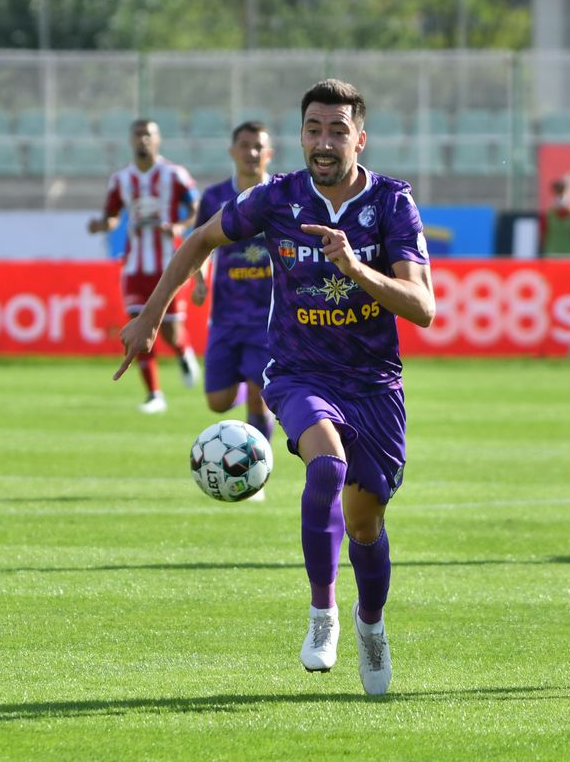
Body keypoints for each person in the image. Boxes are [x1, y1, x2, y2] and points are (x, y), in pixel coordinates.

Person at [114, 79, 435, 696]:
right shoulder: (278, 198)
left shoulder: (392, 205)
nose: (323, 141)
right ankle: (323, 614)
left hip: (373, 383)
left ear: (359, 139)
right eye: (313, 129)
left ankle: (371, 624)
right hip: (297, 372)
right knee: (325, 469)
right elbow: (201, 240)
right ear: (301, 135)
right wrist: (152, 316)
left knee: (366, 526)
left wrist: (354, 267)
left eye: (337, 130)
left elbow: (422, 307)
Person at [88, 118, 202, 414]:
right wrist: (103, 224)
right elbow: (112, 215)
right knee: (139, 329)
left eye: (148, 135)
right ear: (131, 139)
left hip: (170, 264)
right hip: (135, 266)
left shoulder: (174, 174)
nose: (143, 140)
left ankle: (183, 351)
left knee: (170, 332)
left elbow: (196, 209)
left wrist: (179, 226)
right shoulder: (121, 179)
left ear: (158, 139)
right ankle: (154, 394)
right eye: (138, 134)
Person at [190, 120, 277, 498]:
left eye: (258, 146)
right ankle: (243, 385)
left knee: (261, 394)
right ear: (233, 151)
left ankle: (257, 475)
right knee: (217, 402)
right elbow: (199, 245)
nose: (251, 152)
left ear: (268, 153)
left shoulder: (281, 194)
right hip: (225, 316)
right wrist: (198, 278)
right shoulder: (213, 198)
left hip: (268, 317)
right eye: (244, 145)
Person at [538, 178, 570, 257]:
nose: (560, 196)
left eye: (563, 192)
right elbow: (542, 237)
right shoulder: (547, 214)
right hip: (552, 258)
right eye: (557, 193)